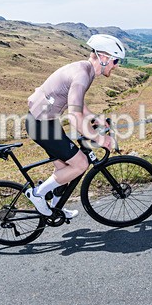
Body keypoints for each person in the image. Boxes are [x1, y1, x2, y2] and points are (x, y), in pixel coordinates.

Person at [24, 34, 125, 219]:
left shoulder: (85, 69)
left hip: (45, 121)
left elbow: (77, 104)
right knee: (81, 163)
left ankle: (55, 207)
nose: (117, 66)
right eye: (116, 60)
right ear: (104, 58)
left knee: (62, 169)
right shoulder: (82, 76)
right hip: (41, 125)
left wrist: (95, 118)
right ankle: (37, 194)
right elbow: (74, 117)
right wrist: (101, 139)